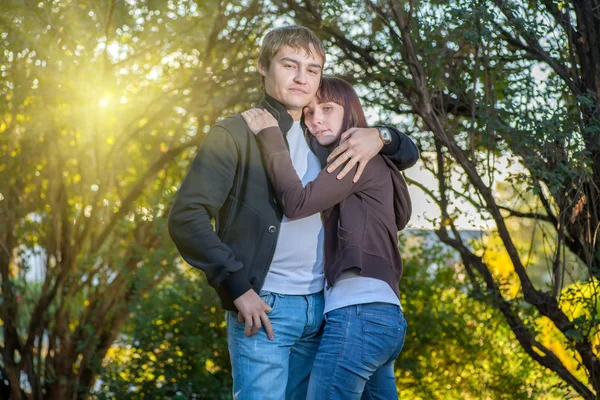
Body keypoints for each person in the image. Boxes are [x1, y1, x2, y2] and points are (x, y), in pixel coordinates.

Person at [168, 26, 418, 400]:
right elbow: (186, 217)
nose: (302, 78)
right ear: (263, 67)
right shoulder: (235, 134)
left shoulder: (323, 137)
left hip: (324, 309)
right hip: (265, 306)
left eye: (312, 69)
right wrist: (236, 287)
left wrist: (383, 134)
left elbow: (405, 156)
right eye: (290, 65)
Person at [242, 76, 411, 400]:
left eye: (328, 108)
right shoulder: (373, 161)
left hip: (358, 314)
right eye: (309, 112)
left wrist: (271, 138)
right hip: (386, 317)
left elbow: (297, 203)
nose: (316, 118)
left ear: (350, 111)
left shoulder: (355, 158)